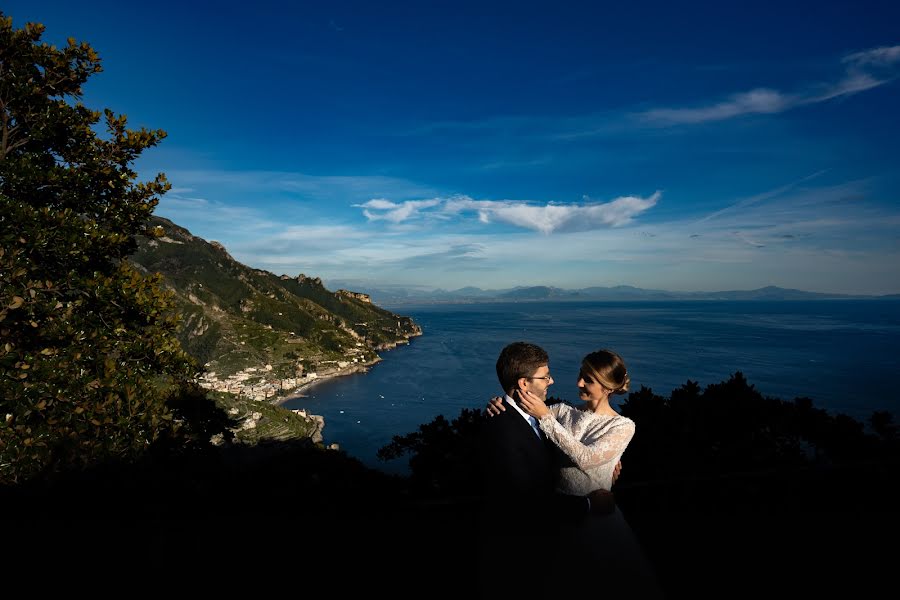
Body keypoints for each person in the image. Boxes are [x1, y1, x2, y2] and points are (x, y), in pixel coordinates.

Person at [486, 347, 664, 598]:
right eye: (580, 375)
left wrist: (546, 417)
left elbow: (587, 459)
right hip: (557, 517)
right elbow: (523, 421)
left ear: (608, 388)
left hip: (597, 518)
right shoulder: (561, 412)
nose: (579, 382)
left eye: (588, 380)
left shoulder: (622, 426)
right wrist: (498, 404)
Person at [476, 341, 615, 598]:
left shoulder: (532, 416)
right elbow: (525, 502)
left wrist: (606, 462)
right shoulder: (502, 429)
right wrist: (588, 505)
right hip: (524, 549)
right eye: (545, 376)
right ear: (523, 384)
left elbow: (564, 448)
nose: (551, 381)